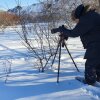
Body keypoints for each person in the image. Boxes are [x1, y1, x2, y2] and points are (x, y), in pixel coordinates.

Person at [55, 4, 100, 85]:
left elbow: (74, 33)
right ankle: (98, 81)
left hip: (96, 44)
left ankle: (90, 83)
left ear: (77, 16)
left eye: (76, 21)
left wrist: (63, 30)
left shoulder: (86, 18)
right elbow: (83, 31)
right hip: (97, 43)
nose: (77, 23)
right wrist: (66, 33)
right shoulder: (91, 15)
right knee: (97, 63)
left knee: (90, 64)